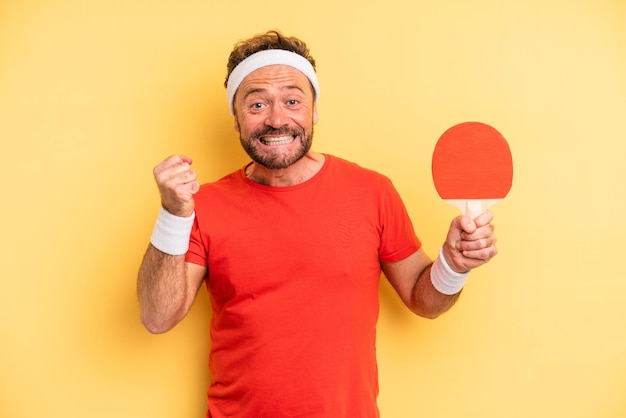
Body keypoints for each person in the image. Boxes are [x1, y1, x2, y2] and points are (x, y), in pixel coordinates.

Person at [137, 30, 498, 418]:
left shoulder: (371, 191)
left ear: (314, 110)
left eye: (292, 100)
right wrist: (173, 215)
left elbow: (422, 299)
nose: (277, 119)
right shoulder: (202, 205)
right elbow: (157, 317)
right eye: (257, 104)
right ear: (236, 120)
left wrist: (453, 266)